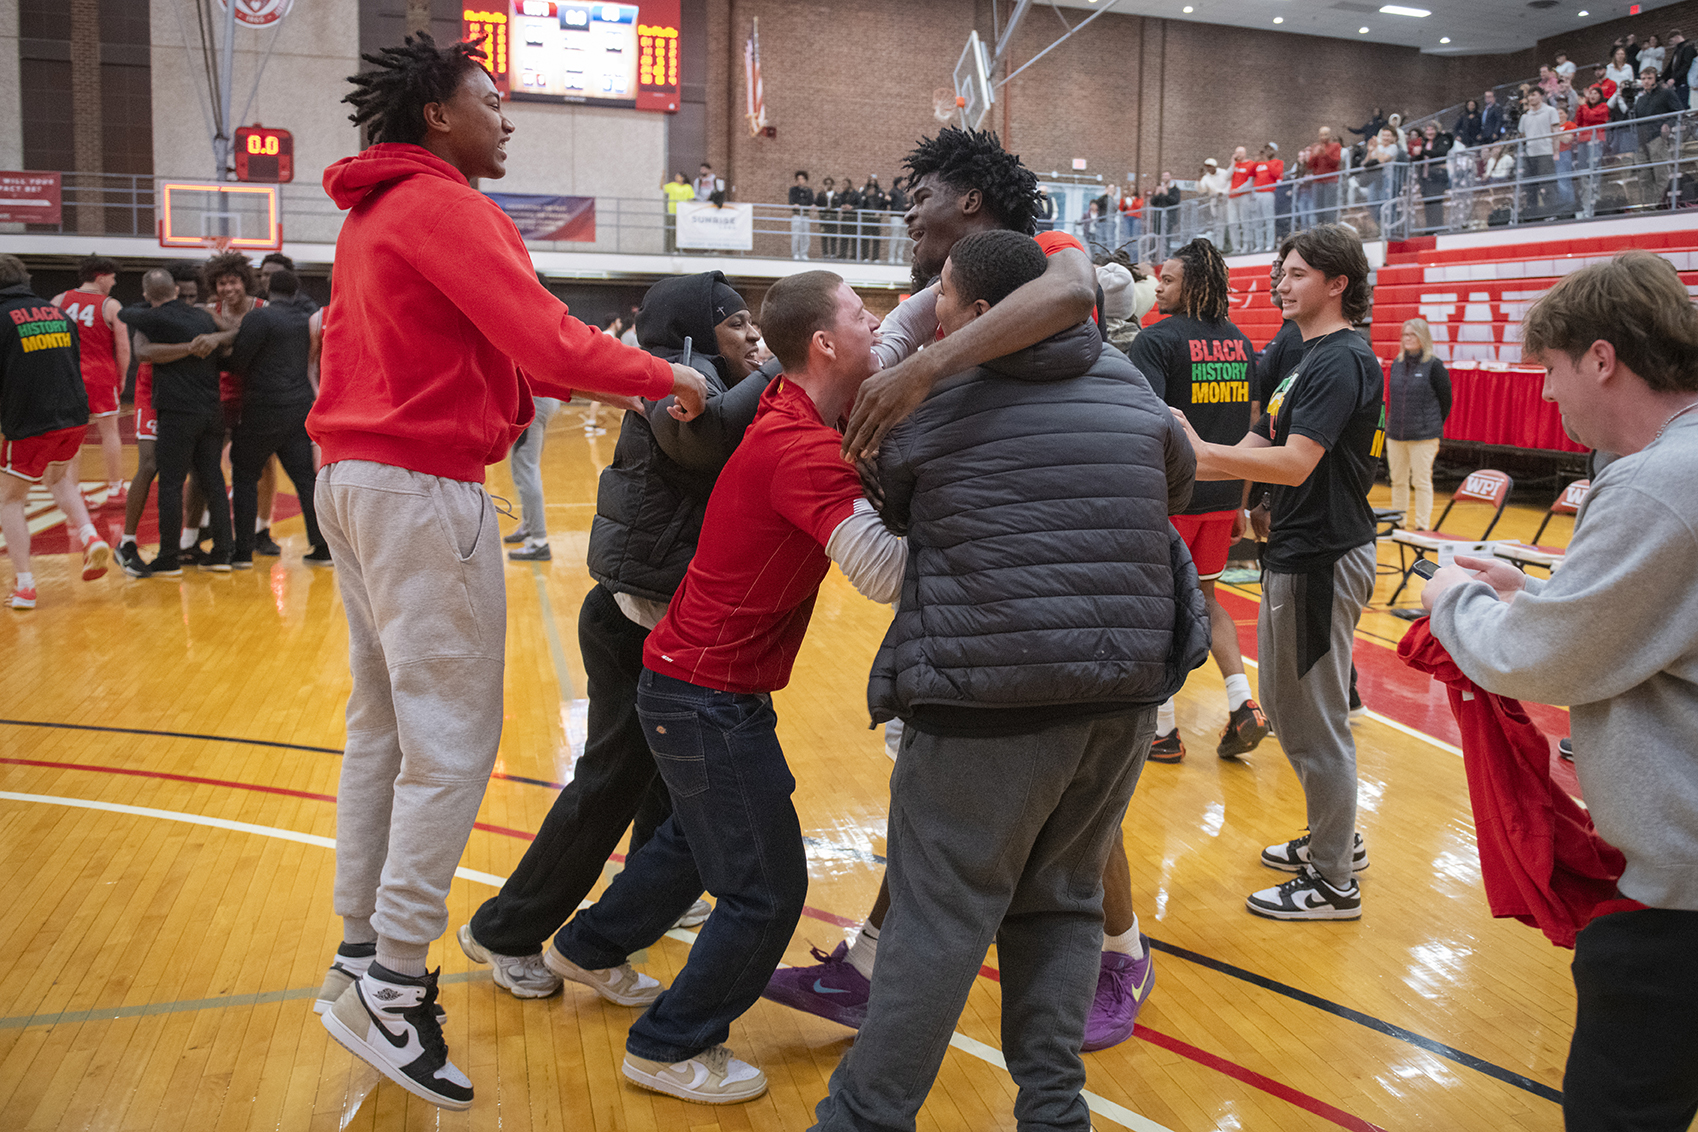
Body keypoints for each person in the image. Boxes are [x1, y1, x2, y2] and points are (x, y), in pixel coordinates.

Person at [307, 34, 707, 1111]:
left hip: (351, 477)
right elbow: (549, 343)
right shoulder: (446, 205)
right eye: (491, 99)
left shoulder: (375, 208)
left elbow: (506, 354)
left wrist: (577, 377)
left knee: (384, 729)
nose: (506, 116)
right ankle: (393, 983)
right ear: (438, 115)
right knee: (448, 745)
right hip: (417, 487)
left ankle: (358, 956)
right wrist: (668, 374)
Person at [770, 127, 1160, 1058]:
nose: (907, 212)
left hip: (1077, 556)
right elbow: (858, 367)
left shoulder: (1049, 258)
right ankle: (868, 964)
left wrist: (931, 369)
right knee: (941, 775)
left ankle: (1121, 950)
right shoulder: (932, 298)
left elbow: (1066, 296)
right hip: (995, 555)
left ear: (973, 204)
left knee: (1072, 799)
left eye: (924, 195)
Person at [807, 228, 1203, 1132]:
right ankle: (1054, 1116)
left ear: (981, 316)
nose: (932, 309)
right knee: (1062, 909)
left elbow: (892, 502)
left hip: (987, 697)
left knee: (937, 923)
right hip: (1120, 700)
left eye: (943, 295)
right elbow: (1173, 476)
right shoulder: (1128, 382)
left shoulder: (930, 405)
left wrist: (920, 358)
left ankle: (862, 1120)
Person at [539, 271, 899, 1105]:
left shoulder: (794, 412)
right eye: (859, 312)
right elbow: (881, 571)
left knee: (698, 845)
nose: (876, 320)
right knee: (769, 889)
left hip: (695, 680)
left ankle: (590, 947)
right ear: (822, 344)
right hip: (703, 691)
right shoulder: (801, 446)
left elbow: (888, 352)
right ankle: (669, 1044)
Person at [1422, 249, 1698, 1132]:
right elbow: (1650, 634)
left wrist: (1456, 596)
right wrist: (1534, 597)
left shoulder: (1662, 485)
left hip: (1681, 910)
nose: (1546, 395)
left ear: (1602, 357)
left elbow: (1539, 662)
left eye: (1550, 370)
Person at [459, 271, 769, 998]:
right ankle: (506, 929)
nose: (753, 335)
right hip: (634, 622)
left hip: (657, 615)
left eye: (756, 323)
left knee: (668, 783)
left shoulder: (715, 390)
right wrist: (792, 353)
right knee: (612, 784)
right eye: (738, 326)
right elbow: (707, 443)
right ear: (693, 342)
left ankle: (634, 911)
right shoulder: (675, 394)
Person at [1170, 224, 1383, 921]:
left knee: (1315, 721)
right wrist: (1196, 457)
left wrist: (1207, 451)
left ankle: (1333, 880)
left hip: (1323, 556)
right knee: (1292, 710)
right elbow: (1258, 444)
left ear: (1336, 283)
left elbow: (1294, 462)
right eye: (1281, 272)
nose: (1280, 283)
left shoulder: (1341, 360)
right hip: (1295, 548)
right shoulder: (1304, 356)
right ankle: (1334, 840)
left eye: (1295, 274)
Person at [1127, 237, 1263, 764]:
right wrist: (1242, 505)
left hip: (1173, 495)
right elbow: (1251, 426)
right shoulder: (1241, 343)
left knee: (1158, 608)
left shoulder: (1155, 341)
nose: (1158, 286)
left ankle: (1162, 730)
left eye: (1169, 280)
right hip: (1224, 495)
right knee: (1207, 599)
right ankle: (1242, 701)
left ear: (1196, 286)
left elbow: (1149, 423)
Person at [0, 254, 111, 609]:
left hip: (32, 421)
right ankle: (89, 535)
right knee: (60, 479)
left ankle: (25, 585)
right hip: (74, 415)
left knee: (9, 498)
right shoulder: (57, 313)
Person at [118, 268, 232, 575]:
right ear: (175, 292)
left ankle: (180, 548)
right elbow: (142, 352)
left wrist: (211, 338)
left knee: (182, 479)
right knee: (151, 465)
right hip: (157, 396)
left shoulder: (202, 316)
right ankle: (128, 539)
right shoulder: (151, 317)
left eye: (196, 295)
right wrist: (195, 346)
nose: (191, 300)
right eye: (187, 295)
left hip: (180, 406)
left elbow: (232, 333)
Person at [224, 268, 330, 567]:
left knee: (245, 476)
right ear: (296, 291)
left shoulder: (259, 317)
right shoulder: (306, 319)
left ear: (268, 289)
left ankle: (243, 552)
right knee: (306, 480)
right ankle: (322, 547)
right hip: (298, 408)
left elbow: (238, 361)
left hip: (262, 409)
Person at [51, 256, 128, 505]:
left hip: (68, 375)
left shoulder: (59, 301)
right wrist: (122, 377)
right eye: (112, 278)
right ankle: (116, 489)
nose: (114, 283)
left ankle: (74, 491)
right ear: (101, 276)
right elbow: (123, 348)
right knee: (110, 432)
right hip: (101, 375)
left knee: (74, 435)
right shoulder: (111, 305)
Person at [1384, 318, 1451, 532]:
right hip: (1395, 434)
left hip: (1424, 435)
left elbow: (1446, 400)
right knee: (1398, 481)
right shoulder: (1397, 363)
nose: (1407, 339)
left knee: (1421, 482)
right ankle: (1398, 522)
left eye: (1412, 335)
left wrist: (1431, 426)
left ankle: (1422, 526)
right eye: (1405, 335)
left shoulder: (1434, 366)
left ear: (1423, 337)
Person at [1631, 66, 1684, 208]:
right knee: (1644, 177)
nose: (1646, 81)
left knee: (1660, 173)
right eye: (1643, 78)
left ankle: (1662, 204)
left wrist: (1668, 124)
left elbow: (1678, 111)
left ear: (1656, 78)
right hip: (1641, 139)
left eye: (1649, 78)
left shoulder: (1666, 93)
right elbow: (1634, 119)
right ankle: (1649, 205)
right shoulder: (1640, 100)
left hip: (1657, 136)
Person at [1518, 87, 1564, 217]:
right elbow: (1522, 136)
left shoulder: (1551, 111)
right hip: (1530, 155)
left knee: (1548, 186)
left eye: (1533, 95)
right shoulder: (1525, 116)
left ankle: (1552, 214)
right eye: (1529, 96)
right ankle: (1532, 215)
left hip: (1545, 153)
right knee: (1530, 188)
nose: (1531, 98)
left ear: (1541, 96)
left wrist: (1556, 152)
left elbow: (1556, 134)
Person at [1250, 143, 1282, 252]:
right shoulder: (1258, 164)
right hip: (1257, 193)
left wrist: (1267, 161)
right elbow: (1251, 175)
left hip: (1268, 193)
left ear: (1274, 151)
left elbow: (1276, 173)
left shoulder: (1278, 162)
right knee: (1257, 221)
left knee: (1269, 220)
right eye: (1266, 149)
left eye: (1270, 149)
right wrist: (1257, 158)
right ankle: (1259, 244)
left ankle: (1269, 244)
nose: (1267, 151)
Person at [1308, 127, 1343, 224]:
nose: (1323, 137)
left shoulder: (1336, 146)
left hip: (1330, 181)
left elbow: (1335, 163)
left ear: (1330, 136)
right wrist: (1314, 155)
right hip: (1317, 182)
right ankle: (1320, 232)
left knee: (1330, 209)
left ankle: (1331, 231)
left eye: (1325, 134)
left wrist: (1325, 153)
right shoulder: (1315, 147)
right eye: (1321, 135)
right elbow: (1309, 166)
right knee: (1318, 210)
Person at [1227, 146, 1254, 253]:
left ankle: (1247, 245)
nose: (1238, 154)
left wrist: (1238, 189)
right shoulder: (1235, 164)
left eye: (1240, 152)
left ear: (1244, 153)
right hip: (1232, 197)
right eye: (1236, 152)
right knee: (1232, 223)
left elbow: (1250, 181)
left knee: (1245, 221)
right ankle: (1236, 246)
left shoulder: (1250, 164)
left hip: (1244, 196)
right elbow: (1227, 176)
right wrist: (1232, 163)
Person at [660, 171, 694, 251]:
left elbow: (691, 199)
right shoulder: (672, 185)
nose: (676, 177)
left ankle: (682, 249)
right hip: (672, 212)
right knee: (672, 231)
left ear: (682, 178)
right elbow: (662, 187)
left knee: (682, 231)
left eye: (678, 176)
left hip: (683, 213)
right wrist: (663, 177)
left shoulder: (688, 187)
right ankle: (673, 249)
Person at [788, 169, 814, 259]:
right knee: (796, 235)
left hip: (805, 216)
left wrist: (812, 205)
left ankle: (804, 253)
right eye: (798, 179)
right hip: (797, 215)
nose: (800, 181)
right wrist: (795, 204)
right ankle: (795, 253)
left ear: (805, 180)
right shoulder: (793, 190)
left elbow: (811, 202)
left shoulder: (809, 191)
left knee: (806, 236)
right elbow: (791, 201)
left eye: (802, 179)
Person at [885, 178, 909, 264]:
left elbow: (903, 203)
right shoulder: (893, 191)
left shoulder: (903, 193)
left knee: (902, 238)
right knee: (895, 237)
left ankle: (899, 257)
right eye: (903, 181)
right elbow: (889, 202)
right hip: (895, 216)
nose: (904, 183)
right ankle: (891, 257)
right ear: (899, 182)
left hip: (903, 216)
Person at [817, 176, 841, 259]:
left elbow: (838, 204)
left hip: (833, 218)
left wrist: (833, 207)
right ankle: (825, 253)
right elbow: (817, 203)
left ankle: (833, 253)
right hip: (824, 219)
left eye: (830, 184)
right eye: (826, 184)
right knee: (824, 237)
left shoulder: (836, 194)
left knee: (833, 237)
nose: (828, 185)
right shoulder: (821, 194)